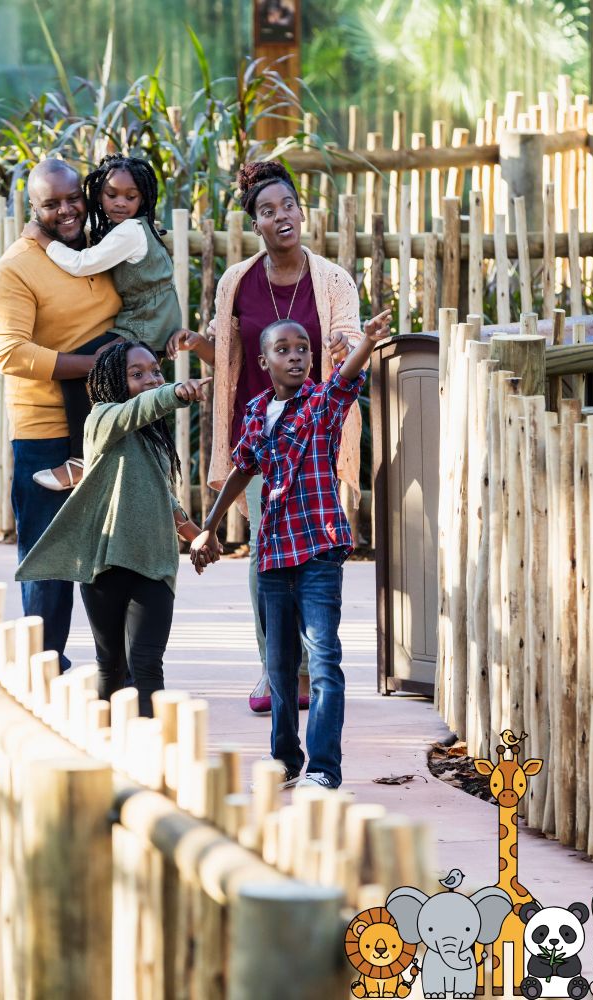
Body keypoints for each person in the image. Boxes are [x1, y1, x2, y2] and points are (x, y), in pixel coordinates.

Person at [170, 160, 364, 714]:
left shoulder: (332, 281)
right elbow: (226, 351)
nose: (282, 217)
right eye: (268, 211)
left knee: (311, 552)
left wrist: (349, 347)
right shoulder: (238, 282)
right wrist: (195, 344)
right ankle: (275, 668)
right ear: (255, 222)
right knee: (265, 554)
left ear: (302, 212)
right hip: (260, 435)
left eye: (288, 207)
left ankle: (309, 661)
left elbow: (349, 340)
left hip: (315, 436)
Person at [190, 311, 391, 789]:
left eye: (302, 347)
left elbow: (345, 379)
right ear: (265, 361)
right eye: (284, 349)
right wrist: (209, 528)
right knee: (278, 664)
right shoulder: (258, 410)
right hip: (274, 555)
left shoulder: (320, 401)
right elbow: (243, 466)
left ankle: (324, 769)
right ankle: (285, 758)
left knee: (323, 658)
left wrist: (365, 342)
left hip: (319, 549)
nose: (296, 355)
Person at [17, 341, 212, 716]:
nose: (150, 378)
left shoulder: (153, 438)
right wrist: (173, 392)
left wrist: (196, 533)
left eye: (156, 370)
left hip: (154, 563)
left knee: (147, 663)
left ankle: (155, 757)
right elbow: (139, 409)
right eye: (136, 374)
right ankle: (110, 755)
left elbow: (163, 496)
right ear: (110, 381)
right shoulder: (101, 419)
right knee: (111, 666)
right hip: (105, 565)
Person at [0, 158, 122, 669]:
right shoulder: (17, 267)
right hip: (45, 429)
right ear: (32, 207)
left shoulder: (102, 251)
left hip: (107, 424)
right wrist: (101, 366)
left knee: (114, 553)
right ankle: (43, 667)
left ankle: (119, 671)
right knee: (49, 557)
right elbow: (9, 352)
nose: (66, 210)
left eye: (72, 199)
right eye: (51, 203)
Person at [24, 153, 189, 491]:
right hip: (152, 321)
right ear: (98, 193)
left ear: (143, 198)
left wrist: (42, 238)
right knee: (107, 384)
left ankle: (80, 462)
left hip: (144, 325)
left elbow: (82, 263)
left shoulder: (129, 231)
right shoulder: (132, 228)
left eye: (131, 197)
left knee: (76, 370)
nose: (120, 203)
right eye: (112, 194)